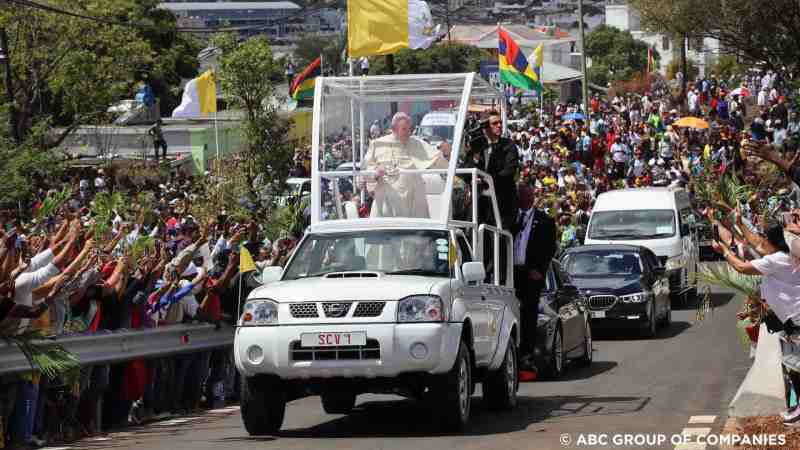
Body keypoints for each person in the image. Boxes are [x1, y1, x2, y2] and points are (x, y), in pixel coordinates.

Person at [363, 112, 449, 218]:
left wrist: (447, 154)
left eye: (409, 129)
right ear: (394, 128)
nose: (408, 132)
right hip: (388, 199)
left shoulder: (417, 143)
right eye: (404, 129)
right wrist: (376, 172)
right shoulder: (378, 144)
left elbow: (438, 160)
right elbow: (366, 171)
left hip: (413, 200)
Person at [512, 184, 557, 374]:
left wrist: (540, 270)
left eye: (525, 194)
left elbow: (549, 248)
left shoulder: (545, 221)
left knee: (528, 313)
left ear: (531, 197)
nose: (522, 198)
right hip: (511, 272)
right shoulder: (510, 217)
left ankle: (526, 355)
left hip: (531, 274)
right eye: (519, 194)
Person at [463, 110, 520, 229]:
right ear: (485, 127)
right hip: (479, 207)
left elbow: (508, 172)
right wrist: (476, 157)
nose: (499, 125)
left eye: (500, 122)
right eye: (495, 123)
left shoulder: (509, 146)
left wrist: (485, 181)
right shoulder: (476, 147)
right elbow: (465, 171)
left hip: (501, 206)